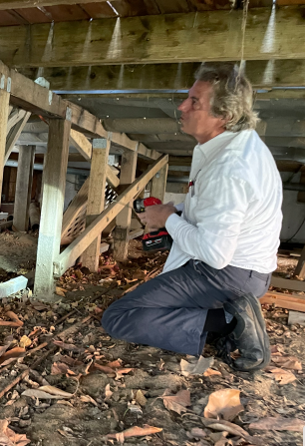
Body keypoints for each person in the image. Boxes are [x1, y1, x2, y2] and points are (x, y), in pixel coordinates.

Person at [101, 63, 282, 372]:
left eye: (194, 102)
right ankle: (226, 317)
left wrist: (167, 220)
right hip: (248, 273)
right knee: (155, 301)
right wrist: (175, 213)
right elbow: (216, 209)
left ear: (224, 116)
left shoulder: (229, 168)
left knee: (118, 317)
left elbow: (215, 254)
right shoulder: (238, 146)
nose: (182, 107)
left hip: (227, 275)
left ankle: (229, 321)